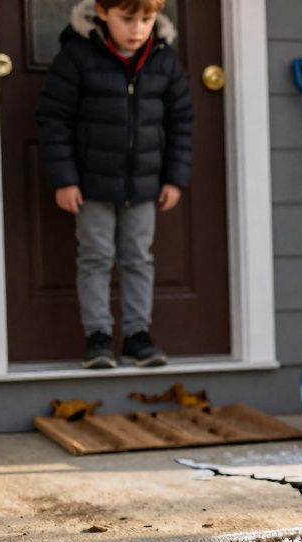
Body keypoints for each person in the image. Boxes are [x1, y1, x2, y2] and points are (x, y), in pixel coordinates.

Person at [36, 0, 193, 369]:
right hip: (91, 184)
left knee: (138, 258)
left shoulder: (164, 60)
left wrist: (174, 177)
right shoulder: (77, 56)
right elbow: (53, 119)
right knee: (95, 257)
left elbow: (181, 122)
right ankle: (99, 337)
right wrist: (65, 180)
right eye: (128, 19)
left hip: (144, 186)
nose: (138, 29)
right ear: (103, 13)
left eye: (147, 19)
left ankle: (138, 336)